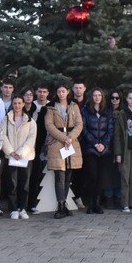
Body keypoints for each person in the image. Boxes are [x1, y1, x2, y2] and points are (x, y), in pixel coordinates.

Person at [45, 83, 84, 219]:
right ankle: (60, 204)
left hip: (71, 143)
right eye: (59, 91)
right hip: (57, 144)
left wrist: (71, 137)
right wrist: (63, 137)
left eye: (63, 91)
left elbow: (79, 124)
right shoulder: (51, 108)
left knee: (68, 175)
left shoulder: (73, 106)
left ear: (67, 92)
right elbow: (49, 125)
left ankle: (65, 203)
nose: (61, 94)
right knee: (59, 176)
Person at [2, 95, 37, 220]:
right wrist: (11, 152)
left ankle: (22, 208)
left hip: (25, 157)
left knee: (24, 184)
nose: (17, 106)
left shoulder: (30, 121)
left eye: (19, 103)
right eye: (15, 103)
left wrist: (21, 152)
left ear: (23, 104)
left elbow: (31, 139)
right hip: (11, 156)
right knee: (12, 183)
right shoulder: (5, 119)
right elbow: (3, 136)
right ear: (12, 104)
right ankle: (13, 209)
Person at [80, 88, 114, 214]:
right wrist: (94, 143)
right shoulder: (86, 110)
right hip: (90, 149)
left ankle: (98, 204)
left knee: (100, 177)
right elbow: (83, 129)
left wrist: (104, 144)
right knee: (92, 176)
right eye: (95, 95)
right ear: (91, 97)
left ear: (102, 97)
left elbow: (110, 130)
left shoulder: (108, 111)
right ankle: (91, 203)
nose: (97, 97)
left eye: (99, 95)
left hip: (104, 150)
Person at [28, 84, 50, 213]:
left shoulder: (51, 105)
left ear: (48, 93)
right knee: (33, 175)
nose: (42, 93)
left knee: (44, 175)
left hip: (48, 144)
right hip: (32, 145)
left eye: (44, 91)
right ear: (36, 92)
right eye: (40, 91)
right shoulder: (32, 105)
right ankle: (31, 202)